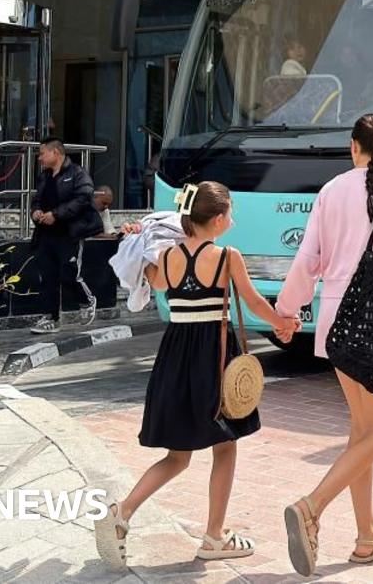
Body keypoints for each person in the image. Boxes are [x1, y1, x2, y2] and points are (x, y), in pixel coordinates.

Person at [94, 182, 300, 568]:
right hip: (213, 356)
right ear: (218, 219)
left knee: (178, 456)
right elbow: (254, 302)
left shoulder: (168, 258)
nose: (232, 220)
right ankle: (214, 536)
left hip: (175, 356)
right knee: (225, 444)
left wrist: (141, 236)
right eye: (230, 213)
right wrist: (284, 324)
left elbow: (151, 278)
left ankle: (120, 513)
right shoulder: (226, 256)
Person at [276, 114, 373, 576]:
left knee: (362, 434)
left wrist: (288, 311)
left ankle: (367, 538)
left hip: (336, 325)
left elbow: (309, 258)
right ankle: (311, 507)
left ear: (353, 146)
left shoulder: (330, 191)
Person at [30, 138, 103, 334]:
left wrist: (57, 214)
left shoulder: (77, 174)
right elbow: (36, 199)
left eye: (42, 153)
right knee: (47, 275)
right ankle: (50, 318)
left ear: (56, 153)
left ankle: (87, 301)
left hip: (69, 233)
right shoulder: (44, 176)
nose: (40, 158)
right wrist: (36, 212)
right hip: (45, 234)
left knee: (68, 272)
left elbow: (83, 198)